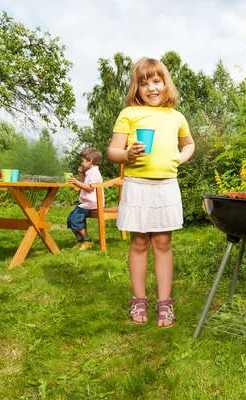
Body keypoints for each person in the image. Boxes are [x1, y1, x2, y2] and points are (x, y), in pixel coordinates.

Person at [107, 57, 195, 328]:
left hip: (166, 186)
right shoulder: (129, 114)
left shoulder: (176, 117)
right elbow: (112, 152)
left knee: (163, 244)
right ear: (137, 88)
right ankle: (139, 300)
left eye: (156, 81)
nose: (151, 88)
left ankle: (164, 304)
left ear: (165, 83)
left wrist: (178, 159)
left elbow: (189, 144)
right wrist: (126, 154)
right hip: (137, 186)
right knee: (139, 243)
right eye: (144, 83)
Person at [66, 147, 104, 250]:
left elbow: (89, 188)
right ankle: (80, 241)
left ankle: (87, 240)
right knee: (71, 219)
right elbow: (84, 184)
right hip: (85, 203)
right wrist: (79, 174)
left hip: (91, 203)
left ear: (90, 161)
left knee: (75, 220)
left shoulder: (94, 173)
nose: (81, 163)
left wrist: (75, 182)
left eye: (82, 161)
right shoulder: (90, 172)